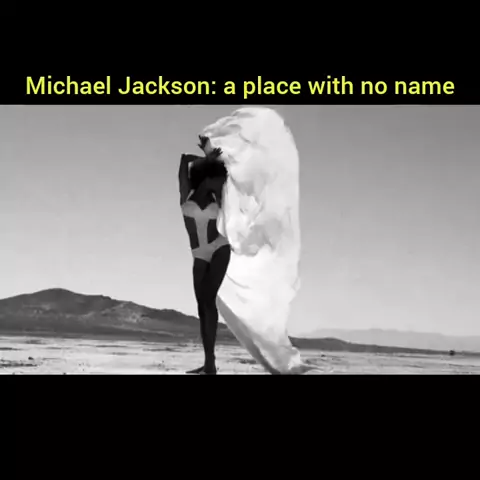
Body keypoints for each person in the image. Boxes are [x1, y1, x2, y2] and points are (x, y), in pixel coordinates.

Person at [178, 135, 231, 375]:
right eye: (215, 179)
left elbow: (226, 176)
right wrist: (207, 157)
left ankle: (210, 364)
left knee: (208, 300)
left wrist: (211, 160)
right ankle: (209, 363)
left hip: (219, 247)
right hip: (198, 254)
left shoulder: (216, 196)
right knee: (202, 308)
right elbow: (183, 160)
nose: (218, 184)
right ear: (206, 176)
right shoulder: (186, 192)